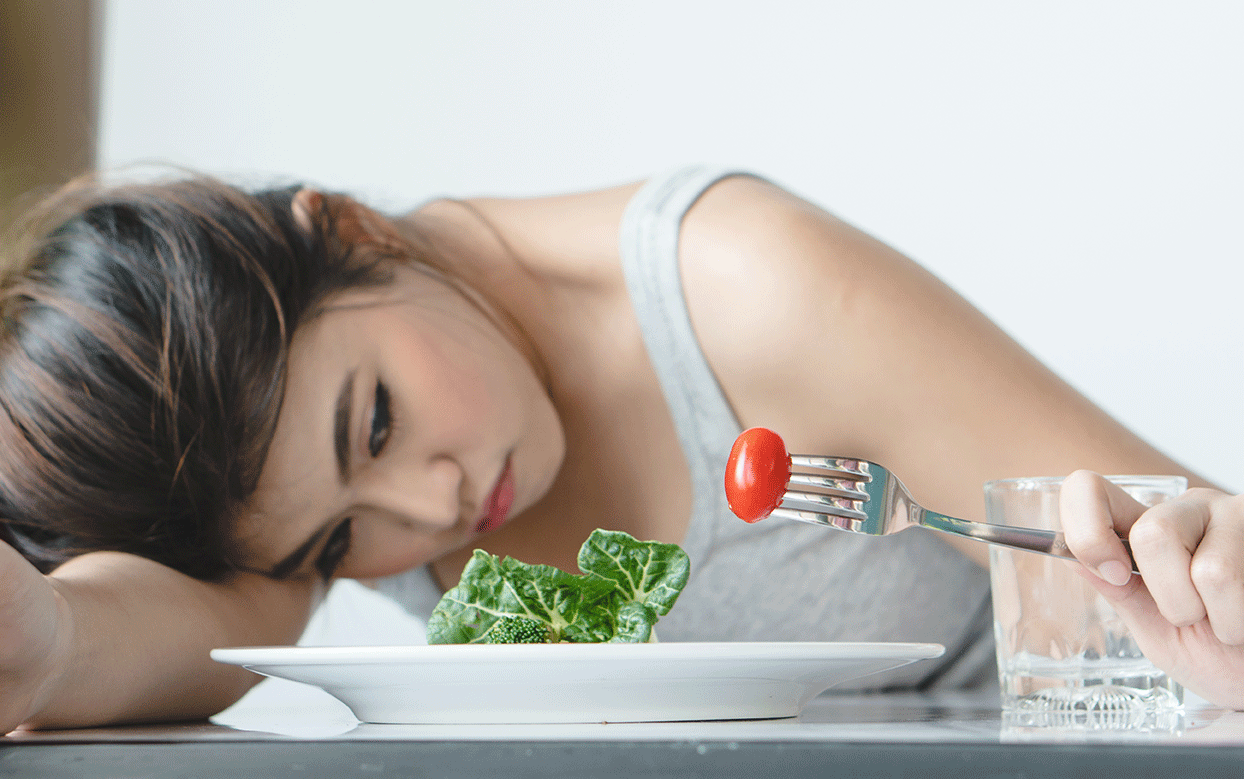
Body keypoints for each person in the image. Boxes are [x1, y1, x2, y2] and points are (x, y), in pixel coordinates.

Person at [1, 165, 1241, 733]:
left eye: (372, 420)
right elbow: (186, 629)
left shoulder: (751, 288)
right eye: (336, 539)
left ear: (353, 229)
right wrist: (45, 642)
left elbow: (1188, 554)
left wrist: (1196, 583)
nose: (423, 512)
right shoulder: (304, 485)